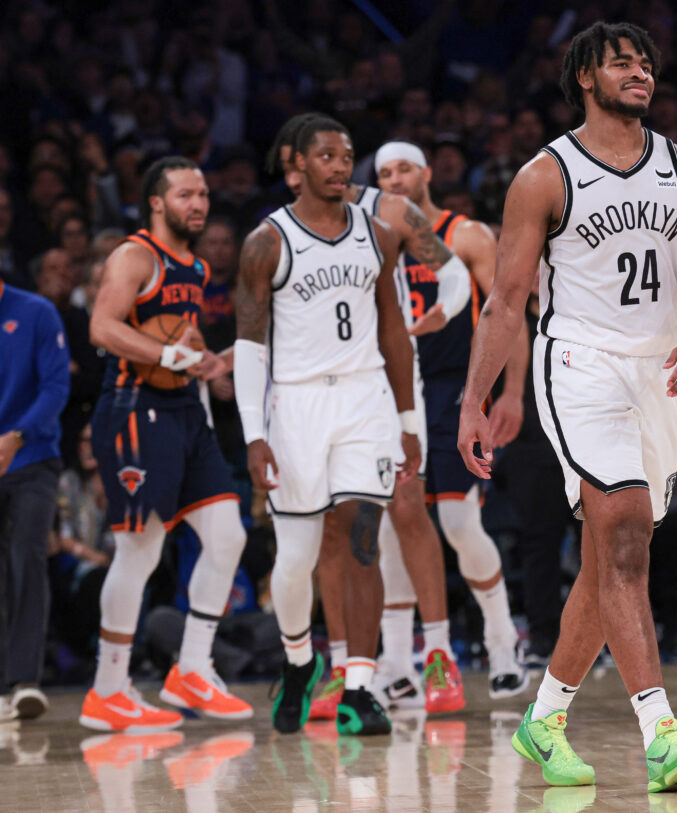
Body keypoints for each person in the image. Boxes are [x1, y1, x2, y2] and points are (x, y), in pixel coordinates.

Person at [456, 22, 677, 793]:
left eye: (645, 62)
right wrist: (475, 401)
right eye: (621, 63)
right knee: (627, 535)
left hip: (658, 369)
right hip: (578, 362)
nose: (639, 73)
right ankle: (661, 733)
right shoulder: (545, 176)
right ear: (584, 76)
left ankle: (543, 721)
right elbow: (506, 302)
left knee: (611, 558)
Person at [232, 116, 422, 736]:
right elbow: (249, 347)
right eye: (327, 157)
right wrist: (253, 435)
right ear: (298, 166)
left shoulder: (380, 234)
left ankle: (359, 689)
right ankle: (298, 662)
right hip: (297, 406)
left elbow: (394, 329)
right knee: (295, 557)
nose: (342, 167)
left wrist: (407, 416)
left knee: (364, 534)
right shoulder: (266, 242)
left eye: (347, 157)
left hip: (364, 398)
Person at [82, 157, 251, 732]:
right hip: (135, 409)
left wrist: (204, 361)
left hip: (184, 407)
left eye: (203, 194)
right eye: (185, 195)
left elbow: (180, 335)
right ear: (157, 202)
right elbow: (103, 327)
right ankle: (107, 689)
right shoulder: (136, 255)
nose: (198, 204)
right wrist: (167, 356)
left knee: (228, 534)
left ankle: (193, 670)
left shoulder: (197, 268)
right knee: (141, 551)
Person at [374, 139, 531, 700]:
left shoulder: (465, 234)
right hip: (390, 393)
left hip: (453, 391)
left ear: (424, 174)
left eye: (403, 168)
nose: (393, 178)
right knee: (396, 524)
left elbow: (507, 315)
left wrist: (511, 393)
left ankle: (501, 643)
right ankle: (397, 665)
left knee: (460, 525)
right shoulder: (375, 241)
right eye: (383, 172)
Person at [0, 274, 70, 721]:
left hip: (33, 457)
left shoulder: (36, 311)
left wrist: (17, 436)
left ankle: (24, 681)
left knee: (26, 557)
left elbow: (56, 387)